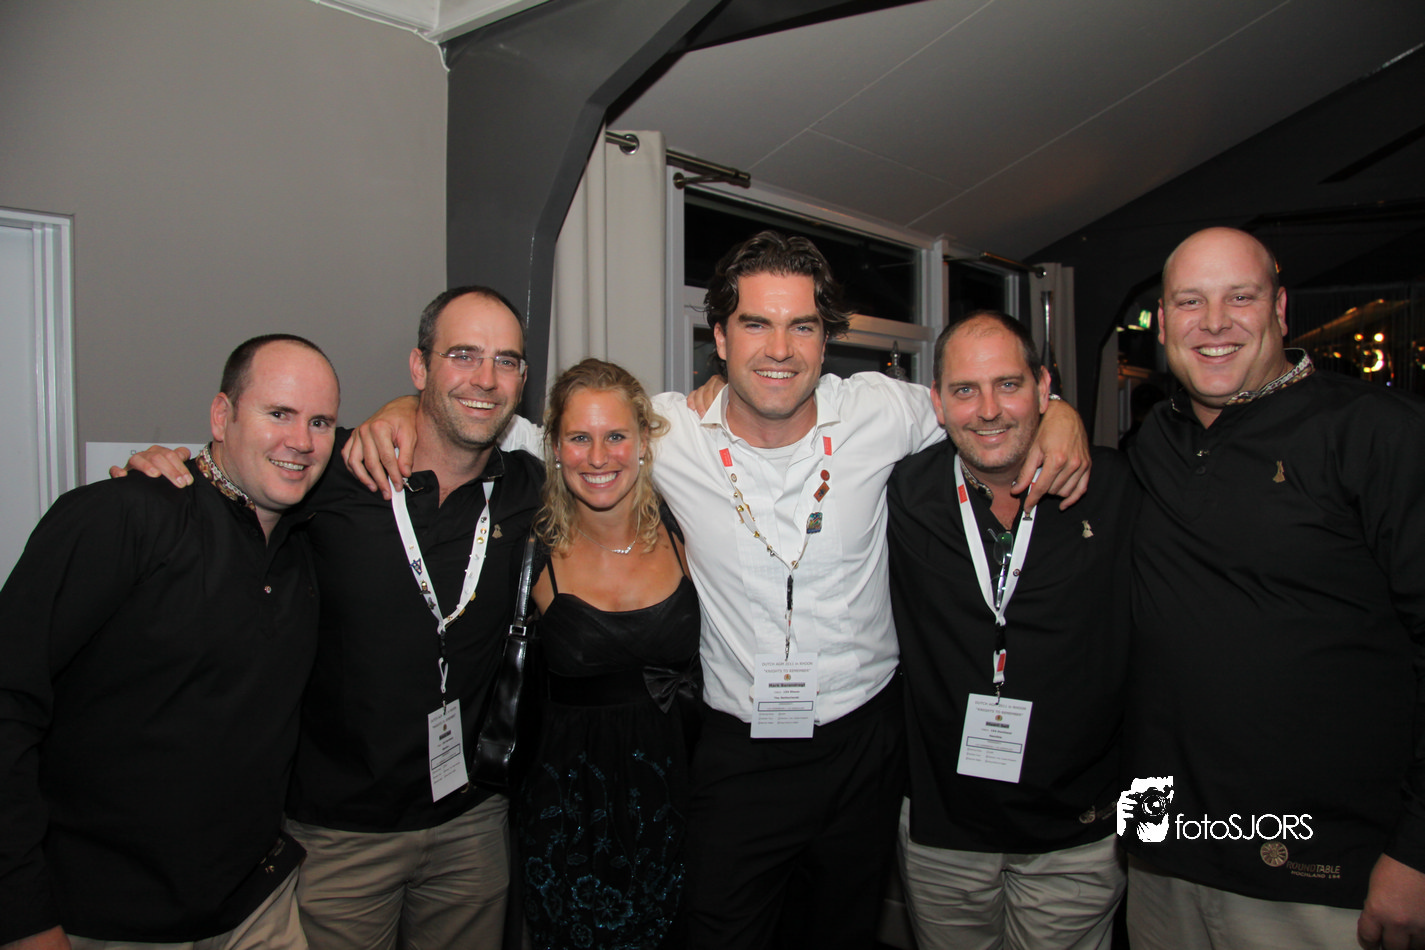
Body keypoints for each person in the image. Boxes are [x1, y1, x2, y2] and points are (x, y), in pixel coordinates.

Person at [345, 231, 1092, 950]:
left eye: (802, 326)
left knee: (838, 935)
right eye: (756, 324)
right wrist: (400, 411)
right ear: (722, 338)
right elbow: (514, 430)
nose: (779, 349)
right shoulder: (667, 432)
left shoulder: (880, 410)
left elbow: (984, 409)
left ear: (824, 339)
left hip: (865, 745)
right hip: (738, 754)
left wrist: (1058, 415)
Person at [116, 288, 543, 950]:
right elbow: (233, 481)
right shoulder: (333, 469)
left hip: (471, 827)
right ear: (419, 367)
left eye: (506, 361)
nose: (485, 378)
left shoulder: (528, 488)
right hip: (338, 836)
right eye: (462, 355)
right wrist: (163, 474)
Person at [1122, 227, 1425, 950]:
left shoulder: (1378, 433)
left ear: (1280, 309)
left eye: (1240, 297)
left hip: (1322, 872)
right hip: (1162, 853)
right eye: (1189, 302)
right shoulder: (1154, 441)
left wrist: (1417, 851)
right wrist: (1056, 420)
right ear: (1161, 324)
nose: (1214, 322)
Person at [0, 335, 340, 950]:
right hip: (105, 919)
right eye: (278, 413)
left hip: (255, 907)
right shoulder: (121, 516)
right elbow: (9, 701)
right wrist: (22, 916)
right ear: (221, 415)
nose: (302, 440)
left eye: (321, 422)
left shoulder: (304, 546)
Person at [886, 311, 1137, 950]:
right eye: (965, 390)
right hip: (944, 830)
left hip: (1081, 831)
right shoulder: (904, 493)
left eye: (1008, 384)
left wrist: (1147, 823)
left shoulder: (1116, 490)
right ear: (937, 403)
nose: (989, 410)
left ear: (1043, 386)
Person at [517, 358, 701, 950]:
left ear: (644, 441)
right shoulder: (531, 547)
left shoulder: (686, 529)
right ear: (555, 447)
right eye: (579, 438)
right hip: (569, 814)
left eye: (616, 435)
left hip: (679, 801)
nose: (598, 457)